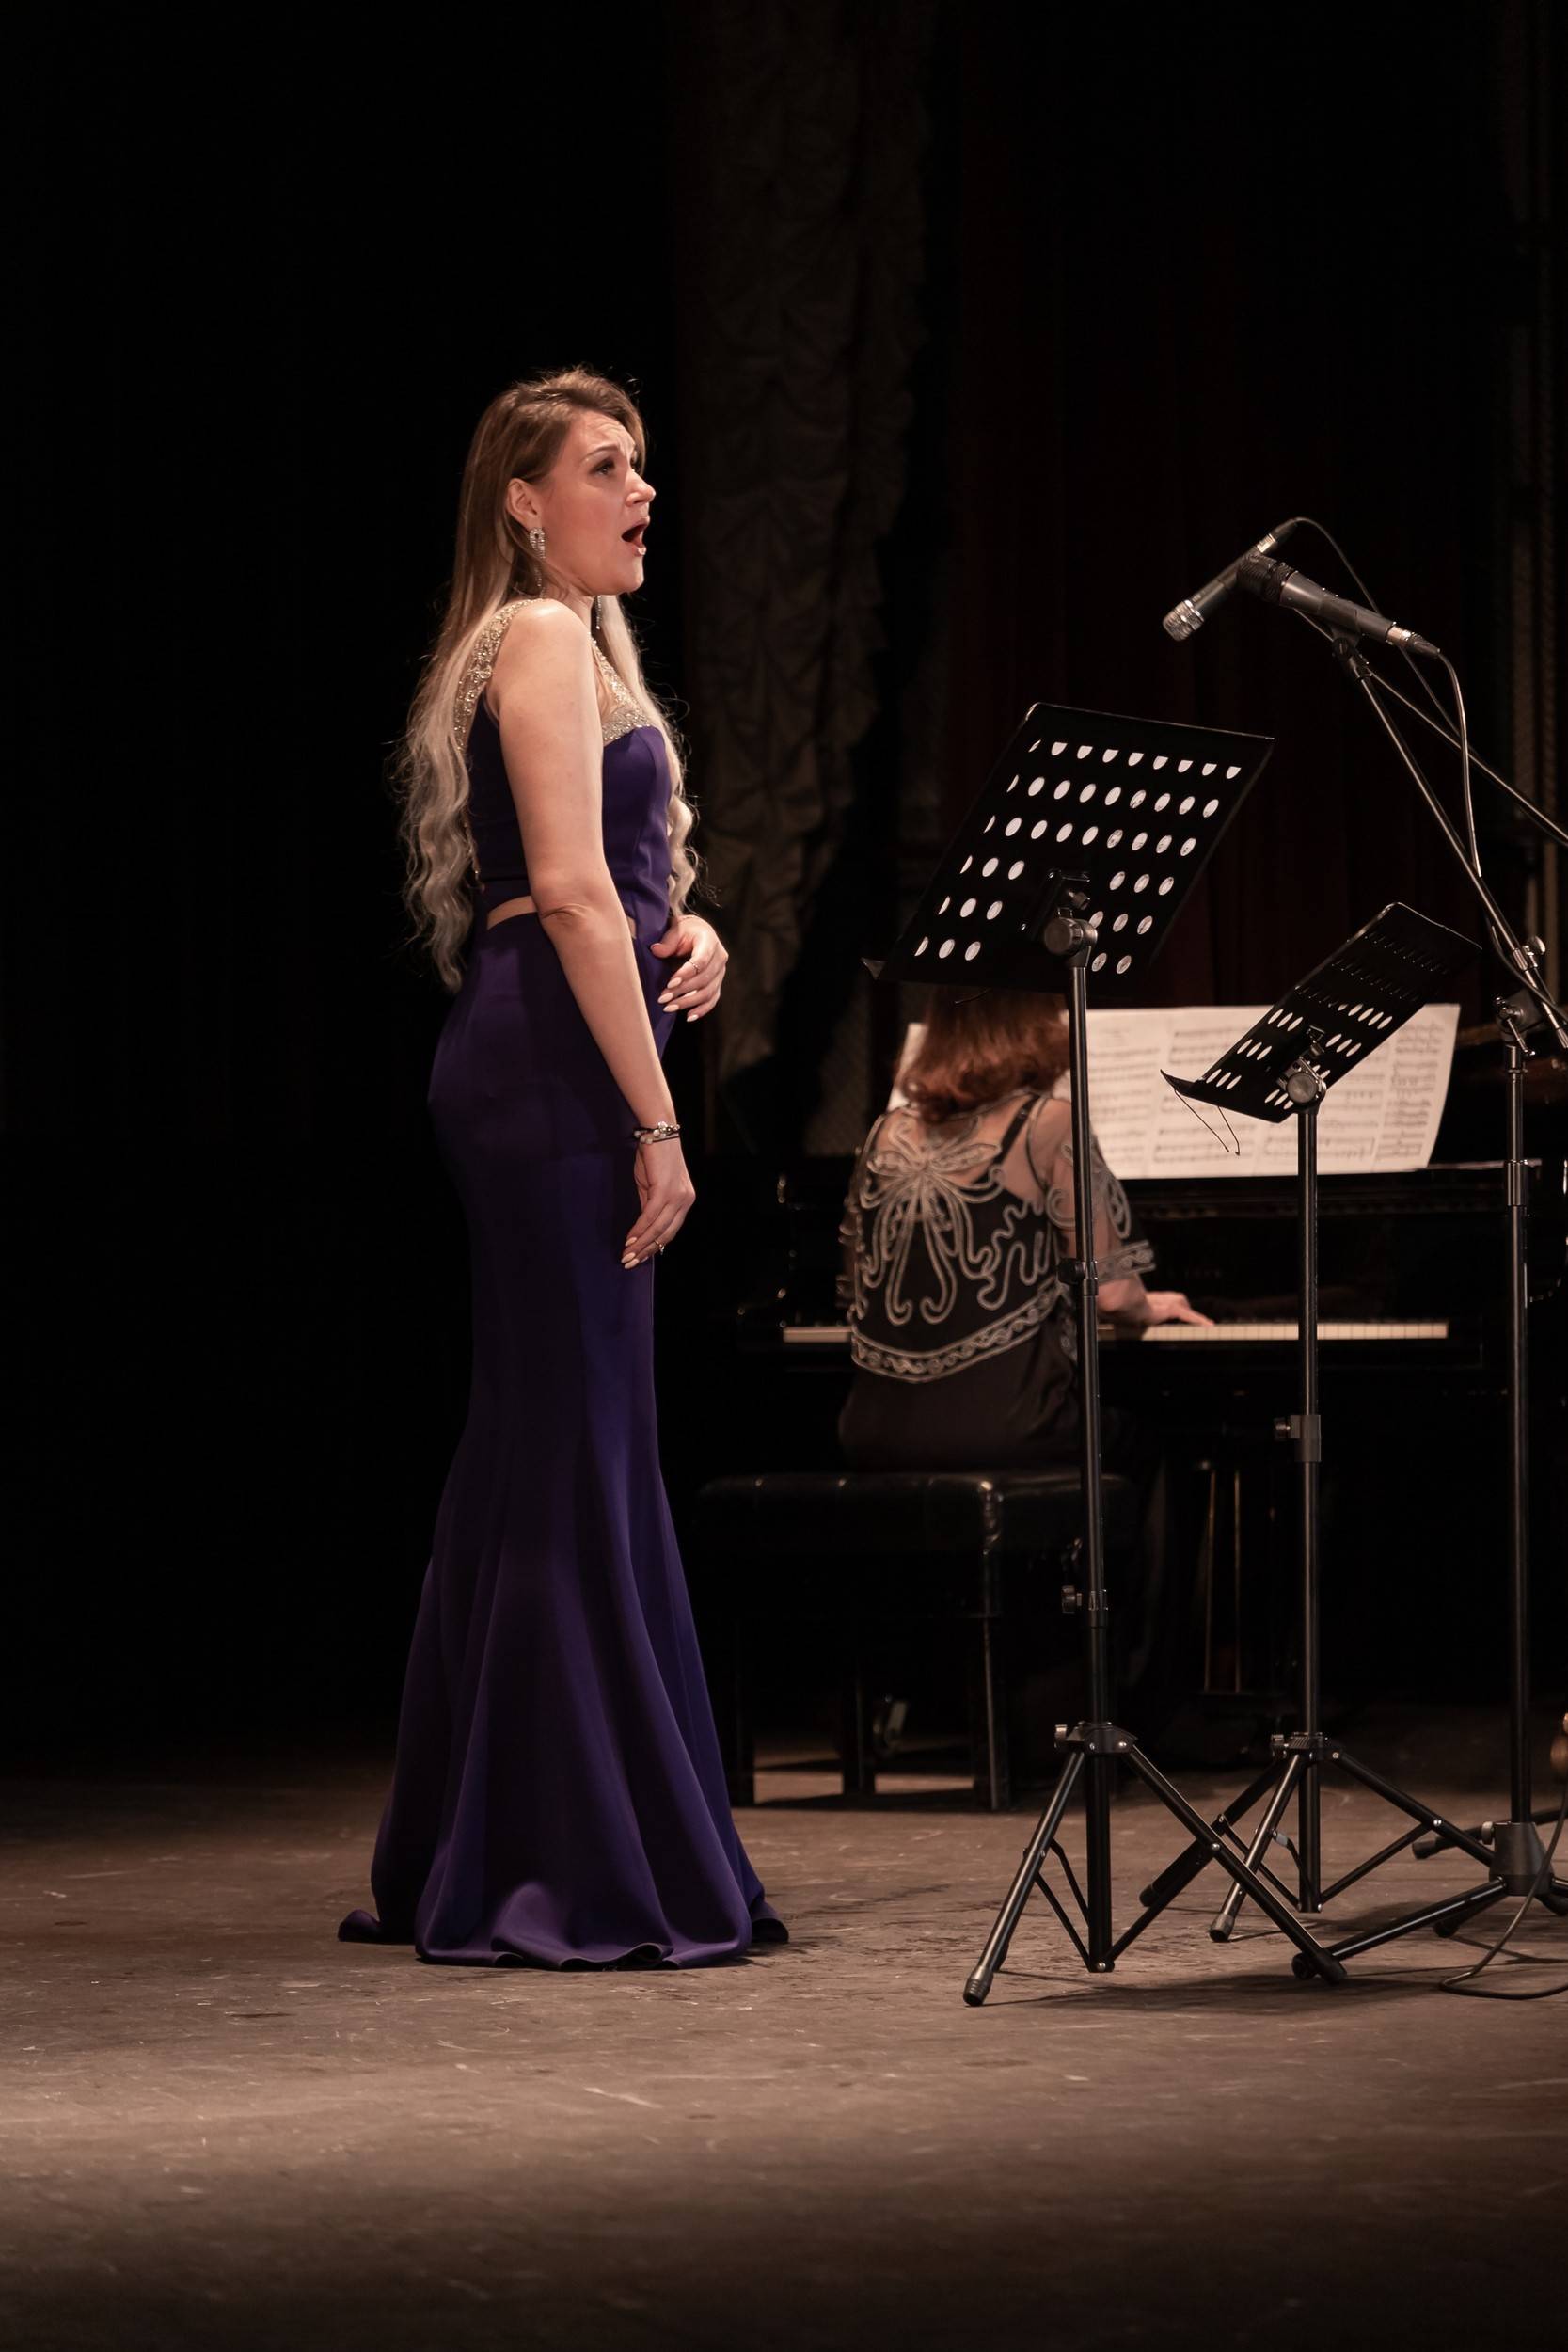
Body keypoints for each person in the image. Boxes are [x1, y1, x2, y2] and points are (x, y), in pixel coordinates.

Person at [339, 369, 786, 1968]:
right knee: (574, 1449)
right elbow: (571, 895)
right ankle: (568, 1857)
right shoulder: (534, 630)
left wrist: (695, 925)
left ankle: (495, 1833)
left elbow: (616, 884)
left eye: (640, 464)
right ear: (523, 502)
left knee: (547, 1446)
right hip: (550, 1077)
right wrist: (660, 1125)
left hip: (557, 1051)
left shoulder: (577, 644)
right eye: (606, 466)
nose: (640, 490)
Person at [837, 985, 1209, 1471]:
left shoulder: (884, 1131)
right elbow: (1114, 1295)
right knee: (1157, 1437)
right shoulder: (1048, 1124)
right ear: (1034, 1024)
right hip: (1011, 1426)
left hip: (873, 1430)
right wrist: (1146, 1306)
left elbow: (855, 1287)